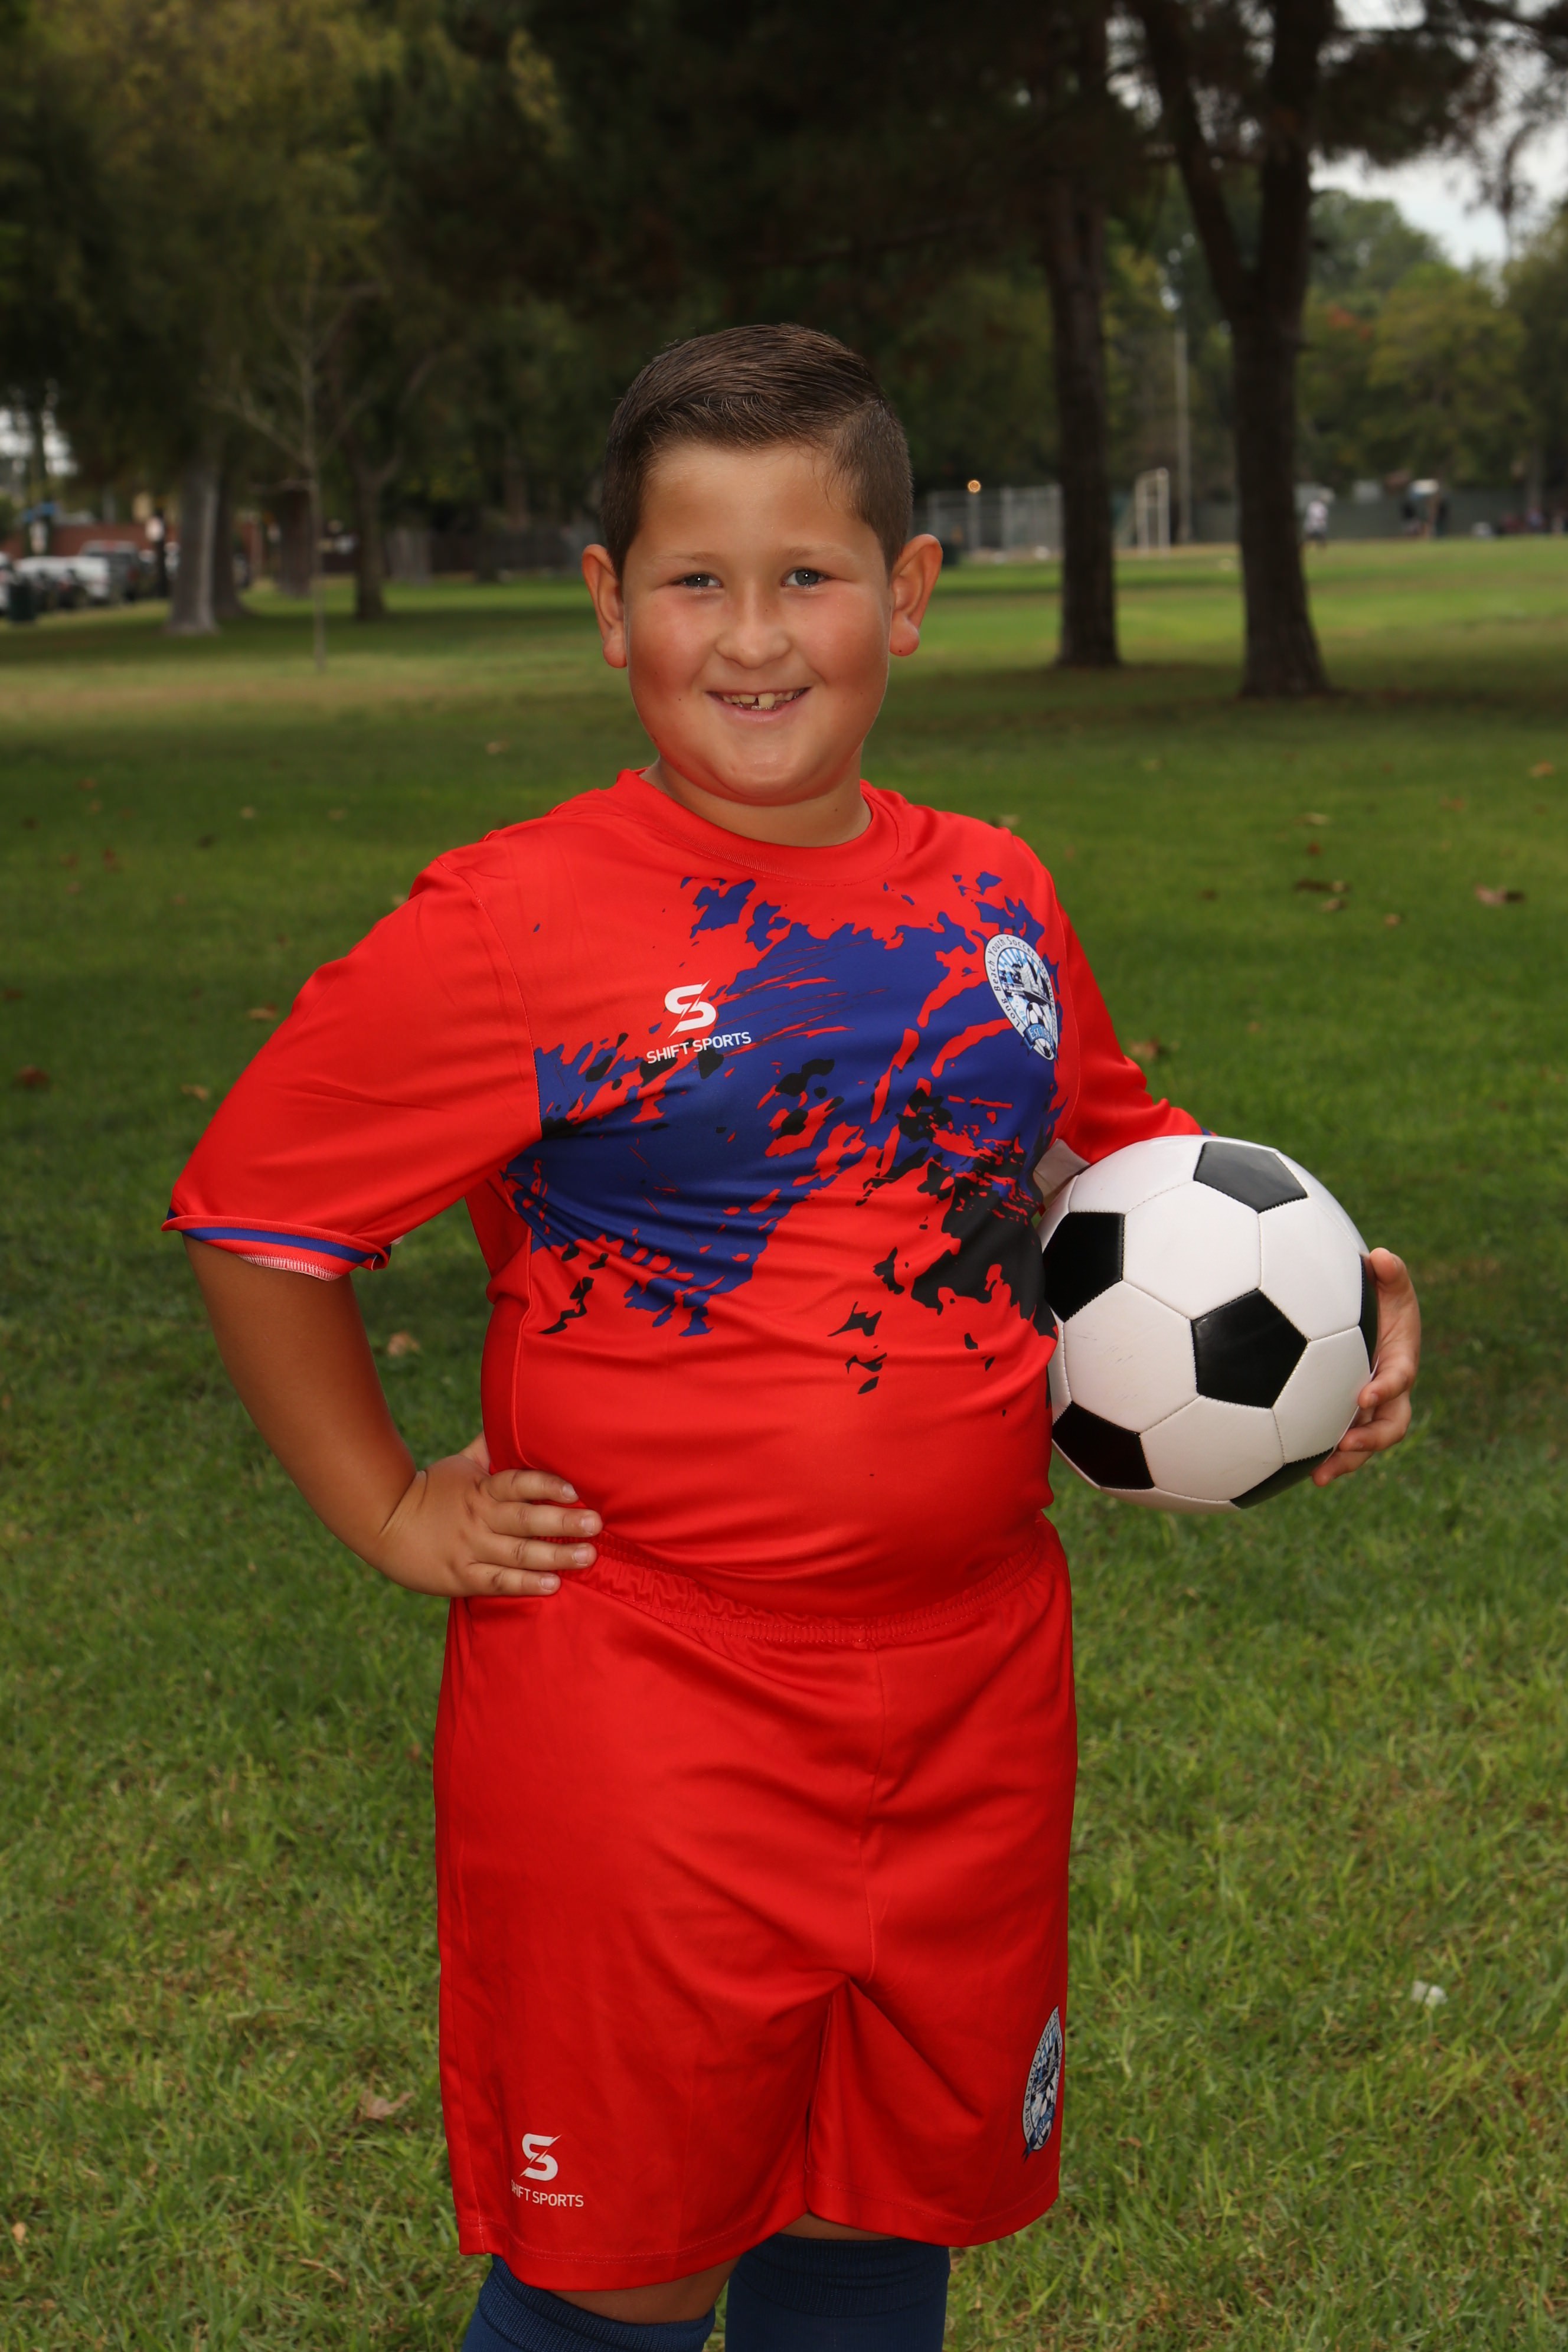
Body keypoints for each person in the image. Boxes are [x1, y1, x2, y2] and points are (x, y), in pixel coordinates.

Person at [168, 326, 1422, 2352]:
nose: (754, 639)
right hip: (644, 1700)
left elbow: (1105, 1154)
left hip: (972, 1687)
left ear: (906, 595)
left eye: (809, 576)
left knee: (883, 2203)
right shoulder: (516, 921)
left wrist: (1332, 1281)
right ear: (610, 607)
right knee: (627, 2261)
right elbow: (256, 1214)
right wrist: (390, 1506)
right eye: (697, 580)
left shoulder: (996, 895)